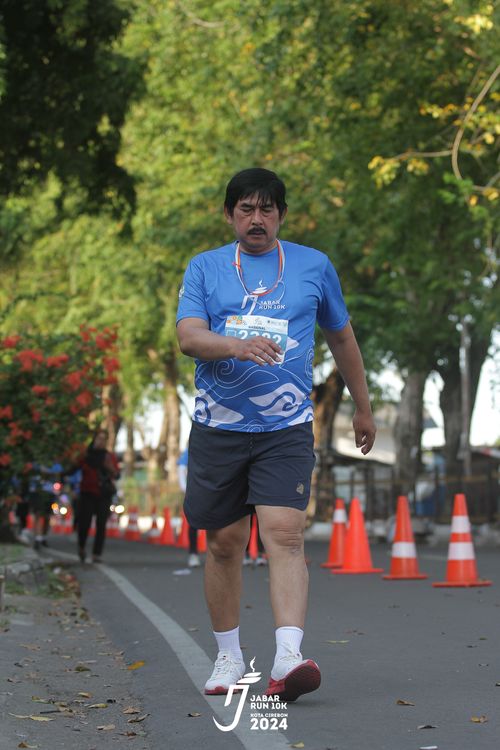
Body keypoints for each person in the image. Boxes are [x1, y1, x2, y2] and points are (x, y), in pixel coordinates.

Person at [176, 168, 376, 701]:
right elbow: (189, 337)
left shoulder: (314, 266)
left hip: (285, 427)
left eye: (267, 209)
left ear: (281, 215)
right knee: (224, 544)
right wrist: (236, 346)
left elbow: (341, 337)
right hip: (218, 428)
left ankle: (288, 657)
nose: (257, 218)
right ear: (230, 215)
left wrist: (363, 407)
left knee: (285, 535)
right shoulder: (205, 268)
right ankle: (228, 656)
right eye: (246, 209)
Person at [75, 429, 120, 563]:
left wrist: (110, 468)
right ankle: (81, 547)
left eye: (104, 439)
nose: (101, 442)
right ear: (94, 440)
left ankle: (97, 553)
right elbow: (73, 468)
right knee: (84, 522)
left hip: (103, 494)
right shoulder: (86, 456)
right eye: (99, 438)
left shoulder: (109, 457)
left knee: (101, 523)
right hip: (87, 493)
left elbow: (117, 475)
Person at [177, 447, 201, 568]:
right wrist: (186, 489)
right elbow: (181, 467)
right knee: (194, 523)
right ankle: (193, 553)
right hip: (195, 492)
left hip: (213, 491)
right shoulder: (192, 448)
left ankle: (217, 554)